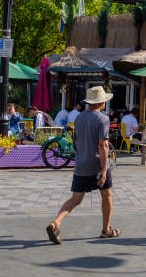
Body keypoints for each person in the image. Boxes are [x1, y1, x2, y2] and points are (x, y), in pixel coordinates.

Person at [46, 85, 119, 244]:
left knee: (76, 198)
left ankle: (56, 222)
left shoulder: (79, 118)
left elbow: (77, 141)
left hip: (81, 164)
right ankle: (106, 229)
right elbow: (103, 145)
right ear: (101, 102)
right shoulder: (103, 119)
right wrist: (104, 170)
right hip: (97, 164)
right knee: (106, 195)